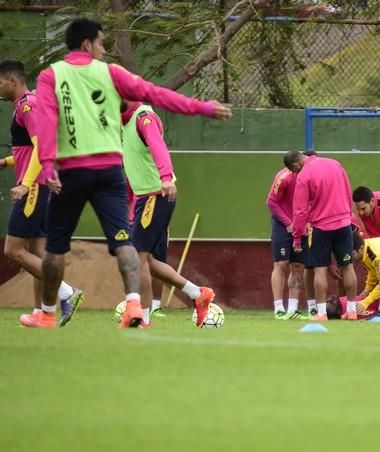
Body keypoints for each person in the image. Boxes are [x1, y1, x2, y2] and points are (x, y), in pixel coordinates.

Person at [20, 18, 231, 328]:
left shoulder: (52, 76)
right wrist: (201, 108)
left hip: (79, 170)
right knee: (128, 247)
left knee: (54, 246)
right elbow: (157, 93)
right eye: (103, 43)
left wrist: (48, 165)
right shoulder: (111, 75)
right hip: (112, 175)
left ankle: (52, 312)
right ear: (87, 44)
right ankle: (153, 301)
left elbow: (48, 123)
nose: (104, 50)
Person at [0, 59, 84, 327]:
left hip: (34, 186)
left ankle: (66, 292)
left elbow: (42, 147)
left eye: (0, 82)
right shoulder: (27, 104)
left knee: (13, 250)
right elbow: (32, 148)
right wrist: (7, 161)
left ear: (12, 81)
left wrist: (25, 183)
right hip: (39, 184)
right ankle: (42, 314)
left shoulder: (28, 105)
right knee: (37, 251)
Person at [121, 100, 216, 327]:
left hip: (156, 195)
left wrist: (165, 177)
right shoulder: (123, 122)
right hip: (145, 197)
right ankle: (198, 294)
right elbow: (132, 164)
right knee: (149, 261)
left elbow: (158, 147)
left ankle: (142, 317)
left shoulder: (144, 118)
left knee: (137, 258)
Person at [284, 150, 357, 321]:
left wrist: (297, 237)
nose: (296, 173)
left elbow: (300, 211)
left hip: (321, 227)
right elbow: (348, 191)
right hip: (343, 224)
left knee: (320, 270)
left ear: (296, 165)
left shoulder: (303, 175)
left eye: (294, 171)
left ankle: (322, 313)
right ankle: (352, 311)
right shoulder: (335, 163)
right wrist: (347, 216)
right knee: (348, 267)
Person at [265, 164, 309, 320]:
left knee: (298, 267)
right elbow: (271, 202)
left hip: (301, 225)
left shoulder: (313, 177)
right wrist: (288, 223)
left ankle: (292, 310)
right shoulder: (284, 177)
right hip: (282, 225)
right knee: (281, 264)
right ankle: (278, 309)